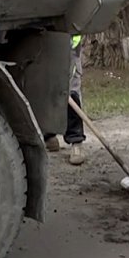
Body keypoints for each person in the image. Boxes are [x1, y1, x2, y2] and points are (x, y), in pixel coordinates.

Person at [44, 34, 87, 165]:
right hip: (46, 41)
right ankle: (49, 135)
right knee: (47, 87)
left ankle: (76, 142)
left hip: (69, 41)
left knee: (71, 90)